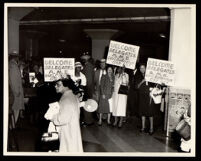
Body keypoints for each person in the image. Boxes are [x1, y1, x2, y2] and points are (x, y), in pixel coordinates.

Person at [47, 77, 83, 152]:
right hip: (71, 131)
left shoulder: (66, 99)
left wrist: (51, 116)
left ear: (66, 85)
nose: (55, 86)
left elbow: (61, 119)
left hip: (68, 134)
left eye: (58, 84)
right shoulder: (71, 95)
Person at [136, 64, 156, 135]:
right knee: (142, 111)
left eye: (143, 68)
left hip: (149, 96)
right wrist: (142, 81)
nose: (142, 69)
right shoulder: (138, 76)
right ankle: (143, 127)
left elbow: (155, 85)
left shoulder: (151, 75)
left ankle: (151, 128)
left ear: (146, 68)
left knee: (150, 112)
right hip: (142, 96)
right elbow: (137, 87)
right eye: (141, 68)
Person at [9, 51, 25, 125]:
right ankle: (12, 126)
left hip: (15, 91)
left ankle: (12, 125)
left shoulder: (13, 65)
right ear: (16, 57)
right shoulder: (13, 66)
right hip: (16, 93)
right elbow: (13, 80)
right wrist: (16, 91)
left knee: (15, 109)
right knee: (16, 109)